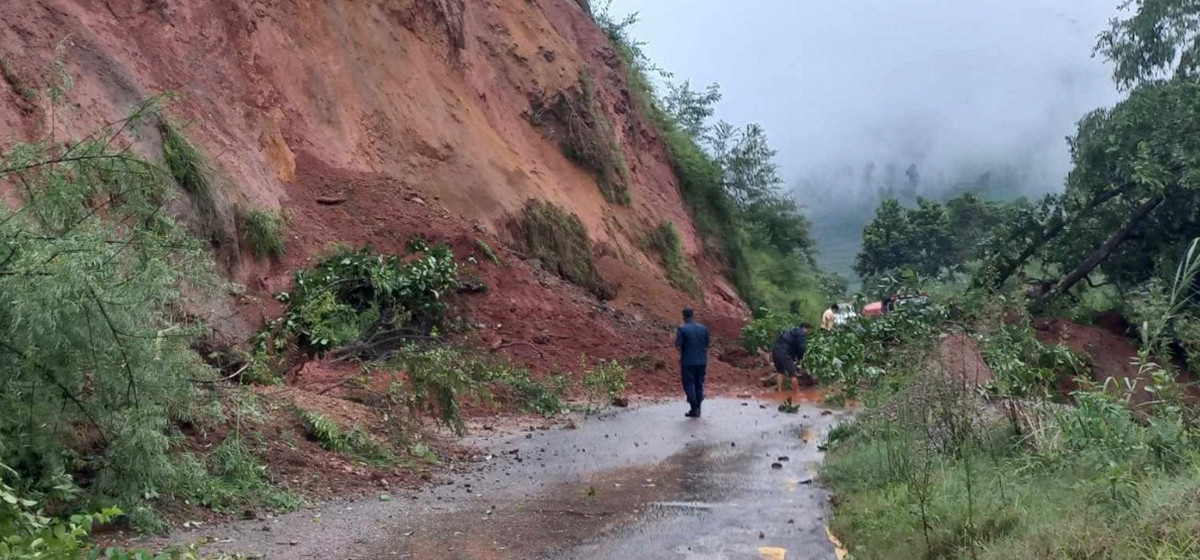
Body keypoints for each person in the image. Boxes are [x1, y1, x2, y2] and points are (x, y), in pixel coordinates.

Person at [674, 307, 711, 418]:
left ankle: (694, 408)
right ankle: (698, 408)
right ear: (693, 315)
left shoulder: (682, 329)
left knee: (689, 384)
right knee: (699, 384)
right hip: (702, 362)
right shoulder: (703, 328)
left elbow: (678, 346)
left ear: (684, 316)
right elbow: (707, 344)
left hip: (688, 362)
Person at [772, 323, 813, 397]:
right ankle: (797, 393)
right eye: (809, 331)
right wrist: (800, 358)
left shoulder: (790, 331)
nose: (808, 333)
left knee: (780, 372)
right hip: (785, 353)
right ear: (805, 328)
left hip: (776, 351)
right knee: (793, 374)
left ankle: (779, 391)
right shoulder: (801, 334)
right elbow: (801, 348)